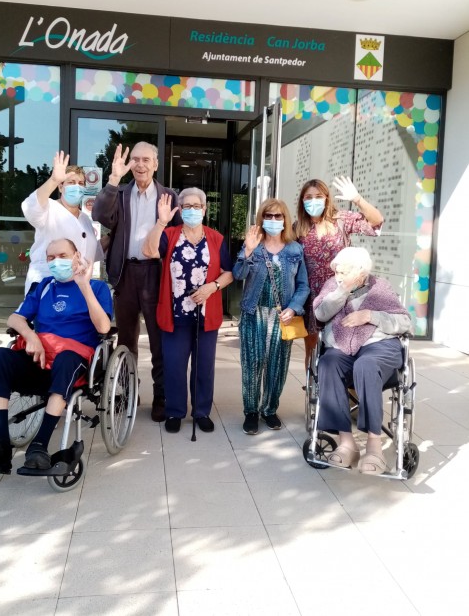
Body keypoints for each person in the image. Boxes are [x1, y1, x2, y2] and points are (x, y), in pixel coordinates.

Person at [0, 238, 113, 473]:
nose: (56, 262)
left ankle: (39, 445)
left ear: (76, 256)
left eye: (62, 256)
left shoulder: (97, 288)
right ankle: (1, 444)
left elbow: (103, 327)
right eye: (51, 258)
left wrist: (83, 285)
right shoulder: (43, 287)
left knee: (66, 359)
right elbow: (14, 318)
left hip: (73, 363)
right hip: (39, 359)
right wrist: (30, 336)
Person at [92, 142, 181, 422]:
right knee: (126, 340)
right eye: (136, 159)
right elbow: (100, 216)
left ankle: (161, 396)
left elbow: (177, 238)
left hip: (155, 274)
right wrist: (113, 180)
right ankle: (129, 391)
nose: (140, 165)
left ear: (156, 164)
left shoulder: (169, 196)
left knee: (159, 340)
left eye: (146, 159)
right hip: (125, 274)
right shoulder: (119, 192)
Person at [313, 247, 411, 475]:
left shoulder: (380, 287)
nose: (338, 276)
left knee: (366, 365)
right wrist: (343, 290)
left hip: (379, 347)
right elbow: (320, 314)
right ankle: (347, 443)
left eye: (344, 272)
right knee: (328, 363)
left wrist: (370, 316)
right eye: (337, 271)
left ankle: (374, 446)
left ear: (361, 271)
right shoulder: (332, 286)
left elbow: (405, 322)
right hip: (341, 348)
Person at [143, 188, 233, 433]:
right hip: (175, 314)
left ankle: (201, 411)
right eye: (187, 206)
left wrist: (212, 287)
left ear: (204, 210)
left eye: (196, 206)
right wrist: (161, 222)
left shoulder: (216, 238)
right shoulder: (169, 234)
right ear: (180, 210)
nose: (192, 210)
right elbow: (149, 251)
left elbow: (228, 272)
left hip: (206, 314)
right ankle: (175, 411)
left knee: (204, 367)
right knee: (174, 365)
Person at [233, 198, 310, 435]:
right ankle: (251, 412)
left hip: (282, 316)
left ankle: (269, 409)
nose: (273, 220)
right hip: (253, 312)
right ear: (261, 219)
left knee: (278, 365)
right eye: (268, 216)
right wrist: (247, 250)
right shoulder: (253, 245)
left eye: (278, 216)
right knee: (252, 363)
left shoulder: (295, 249)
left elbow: (303, 285)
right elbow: (238, 274)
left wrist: (294, 308)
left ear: (285, 219)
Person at [293, 176, 384, 368]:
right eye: (308, 197)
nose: (313, 201)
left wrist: (357, 199)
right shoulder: (298, 228)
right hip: (312, 299)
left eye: (318, 196)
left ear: (326, 198)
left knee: (340, 346)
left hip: (340, 294)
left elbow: (376, 221)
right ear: (302, 201)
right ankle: (314, 384)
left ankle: (341, 384)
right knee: (312, 348)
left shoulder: (340, 220)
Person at [22, 151, 101, 295]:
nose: (77, 187)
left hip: (77, 289)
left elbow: (92, 252)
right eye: (71, 182)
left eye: (81, 183)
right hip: (46, 285)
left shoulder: (85, 219)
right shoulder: (49, 208)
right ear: (60, 187)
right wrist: (53, 180)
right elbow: (30, 208)